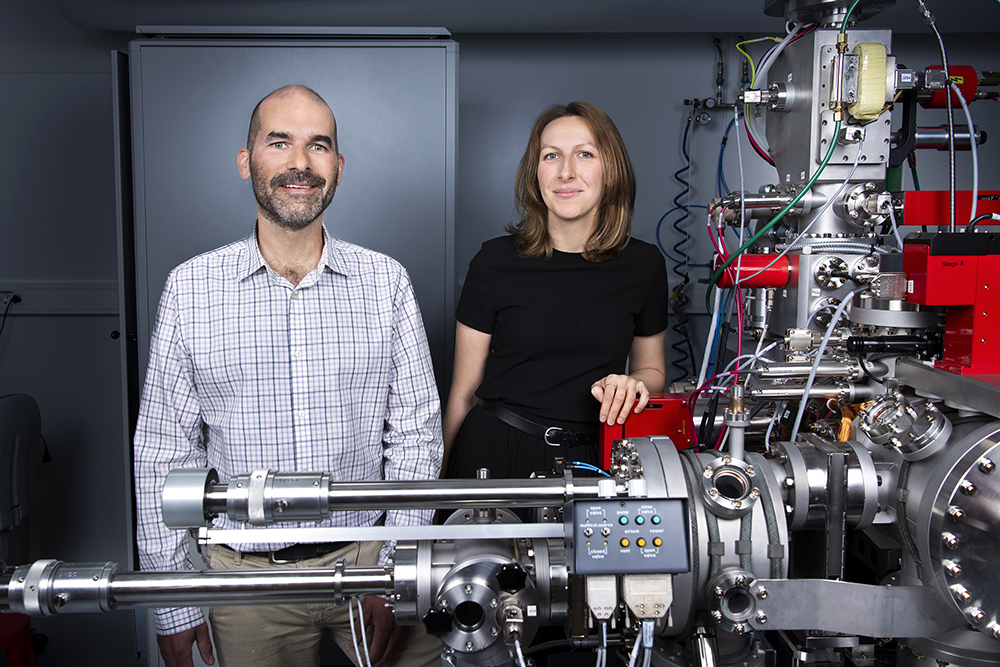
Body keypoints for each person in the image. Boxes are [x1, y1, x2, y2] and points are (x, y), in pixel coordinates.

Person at [133, 85, 443, 667]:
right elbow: (163, 454)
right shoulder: (190, 289)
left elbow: (416, 435)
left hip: (369, 557)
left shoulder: (386, 284)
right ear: (247, 160)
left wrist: (397, 571)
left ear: (339, 167)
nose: (300, 163)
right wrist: (172, 598)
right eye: (280, 142)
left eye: (318, 146)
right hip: (244, 580)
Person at [443, 101, 668, 480]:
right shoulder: (494, 261)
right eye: (551, 156)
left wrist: (634, 382)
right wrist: (438, 493)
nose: (567, 172)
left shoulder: (644, 265)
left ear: (610, 170)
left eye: (584, 154)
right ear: (536, 173)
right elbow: (463, 394)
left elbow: (653, 369)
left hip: (598, 458)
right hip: (497, 452)